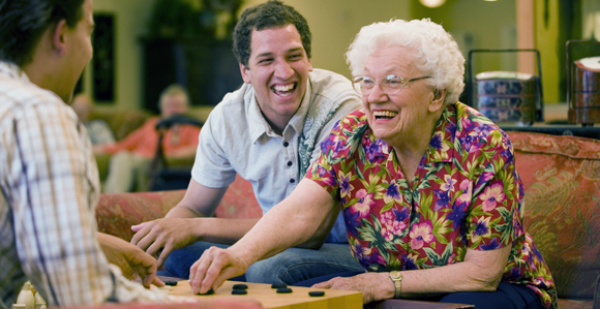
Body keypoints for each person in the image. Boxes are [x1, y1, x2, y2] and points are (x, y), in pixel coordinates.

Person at [187, 19, 559, 309]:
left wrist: (384, 284)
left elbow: (483, 274)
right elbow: (301, 211)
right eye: (366, 81)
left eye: (393, 81)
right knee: (295, 293)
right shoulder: (352, 134)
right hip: (392, 279)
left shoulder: (482, 143)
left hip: (493, 287)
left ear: (435, 95)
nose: (374, 96)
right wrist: (237, 256)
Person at [0, 1, 262, 308]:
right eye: (89, 32)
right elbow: (87, 300)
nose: (91, 51)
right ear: (61, 35)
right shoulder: (38, 114)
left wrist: (98, 242)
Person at [130, 0, 364, 285]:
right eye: (267, 60)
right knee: (177, 254)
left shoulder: (340, 107)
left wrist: (197, 228)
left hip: (345, 247)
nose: (284, 72)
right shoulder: (227, 119)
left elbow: (310, 227)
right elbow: (192, 207)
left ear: (309, 60)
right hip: (270, 245)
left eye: (294, 56)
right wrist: (162, 238)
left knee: (267, 269)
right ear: (245, 71)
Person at [96, 84, 201, 193]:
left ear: (186, 107)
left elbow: (197, 149)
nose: (173, 109)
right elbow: (124, 145)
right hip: (134, 159)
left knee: (142, 164)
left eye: (177, 105)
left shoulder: (191, 126)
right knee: (120, 157)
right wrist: (90, 148)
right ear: (161, 107)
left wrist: (167, 156)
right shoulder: (152, 124)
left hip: (155, 164)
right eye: (169, 105)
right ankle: (113, 202)